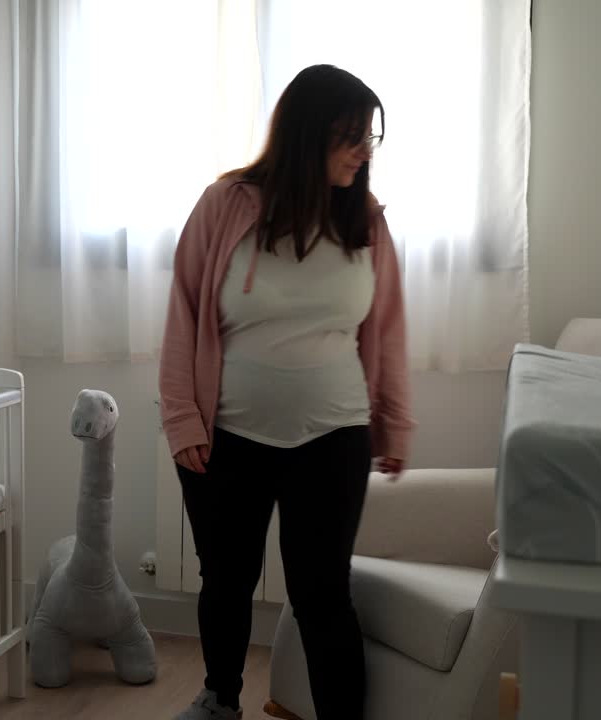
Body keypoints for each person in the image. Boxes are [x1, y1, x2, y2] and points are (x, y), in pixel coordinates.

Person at [159, 64, 414, 720]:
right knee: (227, 582)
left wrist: (394, 426)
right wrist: (183, 419)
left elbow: (386, 332)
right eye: (351, 138)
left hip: (334, 436)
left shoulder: (367, 220)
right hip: (227, 437)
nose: (365, 153)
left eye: (370, 139)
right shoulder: (226, 205)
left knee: (323, 592)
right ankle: (220, 699)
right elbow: (183, 314)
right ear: (307, 136)